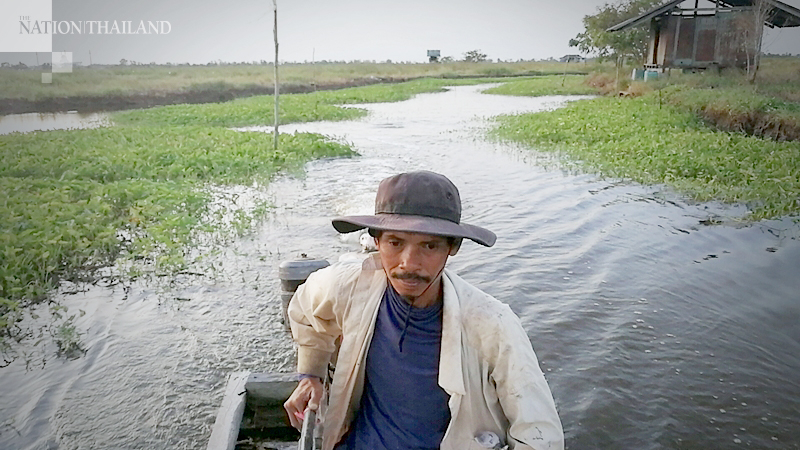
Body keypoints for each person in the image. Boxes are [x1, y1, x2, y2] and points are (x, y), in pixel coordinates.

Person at [284, 171, 563, 450]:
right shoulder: (347, 286)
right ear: (376, 242)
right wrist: (311, 376)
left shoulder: (492, 324)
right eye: (395, 243)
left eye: (429, 246)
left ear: (452, 248)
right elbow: (306, 311)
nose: (408, 263)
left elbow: (539, 434)